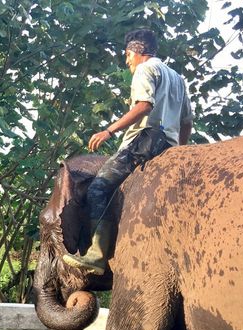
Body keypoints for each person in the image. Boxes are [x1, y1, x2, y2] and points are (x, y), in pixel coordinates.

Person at [62, 29, 193, 275]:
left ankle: (96, 255)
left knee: (99, 187)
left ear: (135, 52)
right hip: (170, 145)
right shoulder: (177, 78)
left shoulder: (145, 69)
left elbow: (145, 105)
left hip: (145, 140)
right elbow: (187, 122)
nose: (127, 62)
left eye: (127, 56)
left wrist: (108, 131)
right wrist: (178, 151)